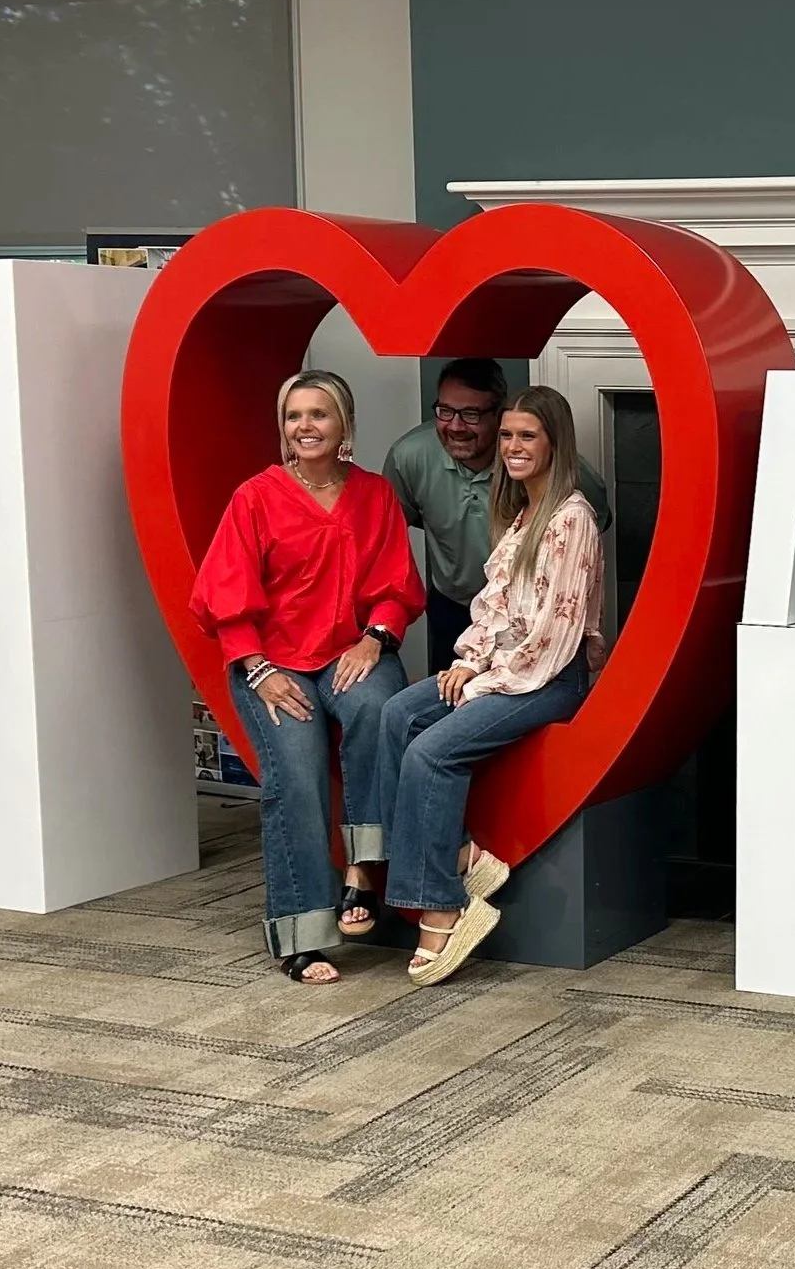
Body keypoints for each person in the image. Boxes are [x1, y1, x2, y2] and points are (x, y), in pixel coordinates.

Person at [189, 370, 425, 985]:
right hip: (272, 663)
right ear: (283, 427)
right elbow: (224, 596)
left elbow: (398, 587)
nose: (306, 426)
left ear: (344, 424)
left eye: (319, 414)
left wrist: (376, 640)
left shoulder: (374, 496)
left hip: (352, 652)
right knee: (294, 775)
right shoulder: (255, 497)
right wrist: (258, 668)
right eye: (295, 416)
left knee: (382, 711)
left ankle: (364, 872)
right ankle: (302, 934)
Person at [370, 385, 606, 986]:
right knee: (397, 714)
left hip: (546, 679)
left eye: (528, 436)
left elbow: (553, 635)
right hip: (504, 669)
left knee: (431, 751)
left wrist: (481, 683)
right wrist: (470, 662)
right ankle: (459, 856)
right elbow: (497, 609)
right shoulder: (523, 513)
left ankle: (444, 906)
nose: (513, 447)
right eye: (507, 435)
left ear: (555, 443)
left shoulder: (570, 518)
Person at [383, 358, 609, 677]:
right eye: (445, 411)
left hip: (528, 623)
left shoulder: (564, 474)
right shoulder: (409, 457)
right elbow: (389, 535)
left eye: (471, 414)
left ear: (499, 413)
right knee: (443, 708)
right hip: (454, 607)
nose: (456, 426)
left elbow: (591, 529)